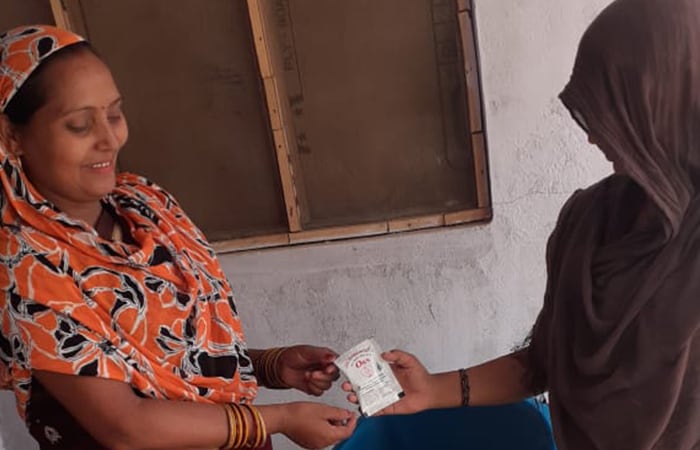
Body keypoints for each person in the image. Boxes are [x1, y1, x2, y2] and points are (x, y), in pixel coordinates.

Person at [345, 0, 700, 448]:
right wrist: (432, 389)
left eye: (616, 109)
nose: (592, 137)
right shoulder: (587, 224)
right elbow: (546, 360)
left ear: (666, 103)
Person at [0, 25, 357, 450]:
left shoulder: (146, 205)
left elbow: (173, 360)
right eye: (79, 125)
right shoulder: (24, 264)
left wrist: (270, 367)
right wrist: (280, 420)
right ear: (12, 136)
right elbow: (126, 427)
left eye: (115, 114)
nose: (110, 138)